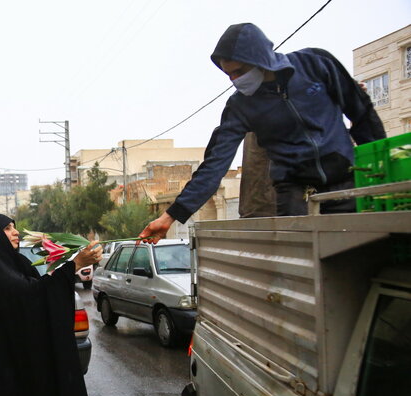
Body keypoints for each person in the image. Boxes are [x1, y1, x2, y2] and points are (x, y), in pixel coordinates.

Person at [139, 22, 385, 243]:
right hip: (294, 193)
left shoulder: (316, 64)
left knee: (354, 250)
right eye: (228, 74)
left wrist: (383, 173)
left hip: (344, 181)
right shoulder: (239, 106)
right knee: (303, 263)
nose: (234, 80)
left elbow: (362, 113)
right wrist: (171, 216)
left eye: (239, 71)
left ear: (261, 60)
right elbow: (214, 165)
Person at [0, 214, 102, 396]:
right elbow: (32, 296)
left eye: (13, 227)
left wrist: (69, 268)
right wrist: (73, 266)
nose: (16, 232)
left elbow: (37, 291)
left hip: (19, 365)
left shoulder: (17, 263)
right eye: (7, 228)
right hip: (0, 371)